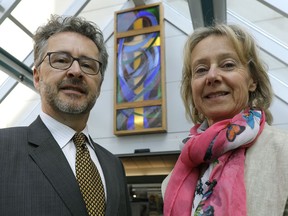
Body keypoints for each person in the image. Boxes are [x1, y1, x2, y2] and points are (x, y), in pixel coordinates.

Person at [0, 15, 131, 216]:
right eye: (61, 60)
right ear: (37, 77)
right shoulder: (4, 149)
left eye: (88, 65)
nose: (76, 71)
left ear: (100, 83)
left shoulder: (114, 166)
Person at [161, 24, 288, 216]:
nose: (212, 76)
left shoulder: (283, 152)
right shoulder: (170, 183)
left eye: (228, 65)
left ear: (252, 81)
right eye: (201, 69)